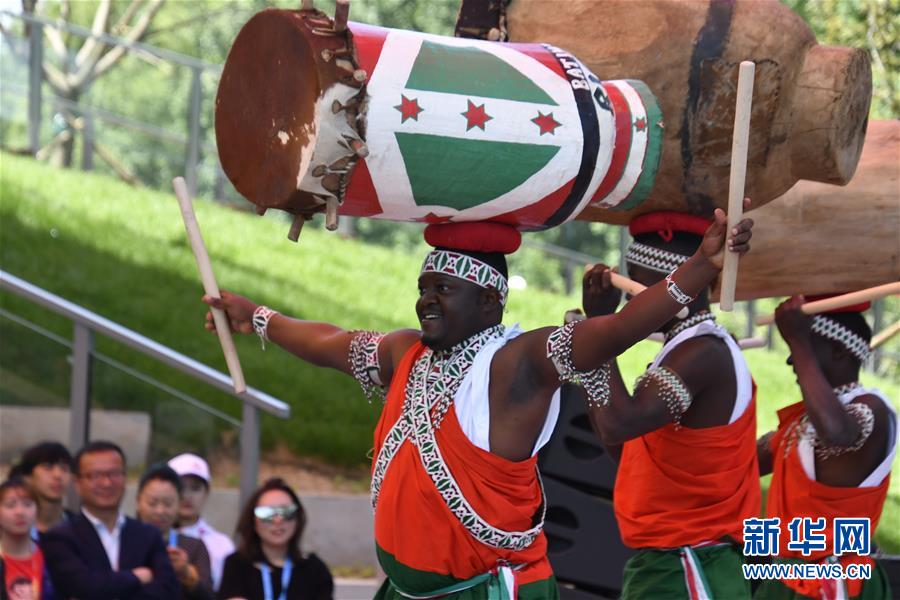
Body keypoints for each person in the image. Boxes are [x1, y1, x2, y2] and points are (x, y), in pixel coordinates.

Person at [203, 210, 753, 598]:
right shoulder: (406, 353)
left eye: (444, 289)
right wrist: (254, 315)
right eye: (424, 286)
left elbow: (618, 329)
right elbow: (327, 343)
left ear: (490, 300)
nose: (426, 299)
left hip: (486, 592)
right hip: (409, 591)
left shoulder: (518, 364)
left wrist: (699, 268)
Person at [581, 211, 761, 599]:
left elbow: (617, 424)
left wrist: (597, 329)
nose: (629, 300)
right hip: (671, 565)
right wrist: (593, 341)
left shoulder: (703, 352)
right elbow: (626, 452)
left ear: (672, 289)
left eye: (634, 286)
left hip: (692, 568)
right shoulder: (681, 351)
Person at [755, 297, 896, 599]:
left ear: (838, 351)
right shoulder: (803, 422)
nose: (792, 360)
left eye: (802, 348)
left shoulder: (871, 408)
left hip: (836, 582)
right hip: (787, 576)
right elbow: (745, 463)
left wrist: (797, 338)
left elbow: (836, 433)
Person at [40, 441, 179, 599]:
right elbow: (83, 587)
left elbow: (167, 591)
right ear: (77, 483)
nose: (106, 483)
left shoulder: (149, 535)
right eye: (96, 475)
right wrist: (137, 577)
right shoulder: (60, 538)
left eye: (114, 474)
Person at [217, 478, 333, 600]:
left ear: (297, 519)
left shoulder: (314, 569)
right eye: (267, 513)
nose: (278, 521)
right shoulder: (236, 565)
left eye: (286, 512)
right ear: (253, 521)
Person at [136, 464, 214, 599]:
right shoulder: (124, 540)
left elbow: (209, 596)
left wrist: (187, 574)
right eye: (152, 503)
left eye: (168, 503)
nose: (160, 511)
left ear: (179, 504)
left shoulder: (194, 546)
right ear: (138, 502)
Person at [169, 453, 235, 591]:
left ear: (207, 493)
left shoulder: (222, 545)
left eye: (195, 488)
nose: (187, 495)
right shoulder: (150, 536)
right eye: (181, 487)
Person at [0, 478, 54, 599]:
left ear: (37, 511)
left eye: (27, 504)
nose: (20, 512)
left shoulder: (51, 553)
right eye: (10, 505)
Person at [12, 442, 74, 534]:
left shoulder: (79, 528)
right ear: (27, 477)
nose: (58, 475)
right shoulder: (10, 526)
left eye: (64, 468)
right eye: (48, 468)